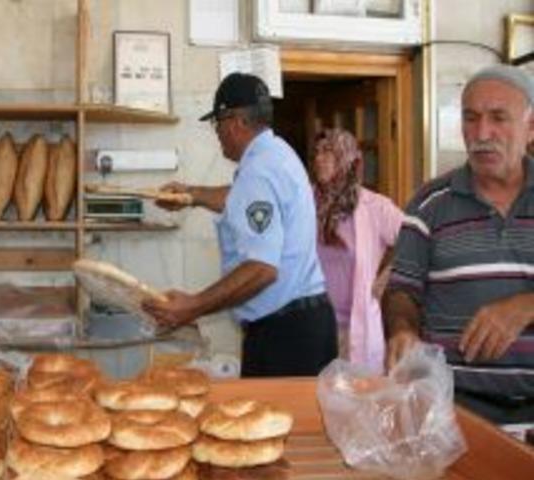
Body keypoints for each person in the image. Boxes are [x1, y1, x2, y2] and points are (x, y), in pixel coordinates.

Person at [143, 73, 337, 376]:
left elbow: (261, 269)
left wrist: (193, 306)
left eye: (216, 124)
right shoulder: (278, 154)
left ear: (234, 121)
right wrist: (191, 195)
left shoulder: (258, 171)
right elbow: (242, 202)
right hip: (307, 326)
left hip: (285, 336)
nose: (217, 133)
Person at [383, 64, 534, 424]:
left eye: (499, 117)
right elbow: (401, 291)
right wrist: (402, 329)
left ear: (531, 127)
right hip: (454, 418)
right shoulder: (430, 203)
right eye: (471, 117)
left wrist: (525, 305)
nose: (482, 132)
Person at [311, 128, 403, 373]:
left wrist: (389, 273)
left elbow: (417, 241)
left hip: (354, 330)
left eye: (328, 152)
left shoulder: (376, 207)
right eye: (317, 152)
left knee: (356, 402)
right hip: (314, 325)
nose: (319, 159)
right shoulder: (305, 202)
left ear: (348, 158)